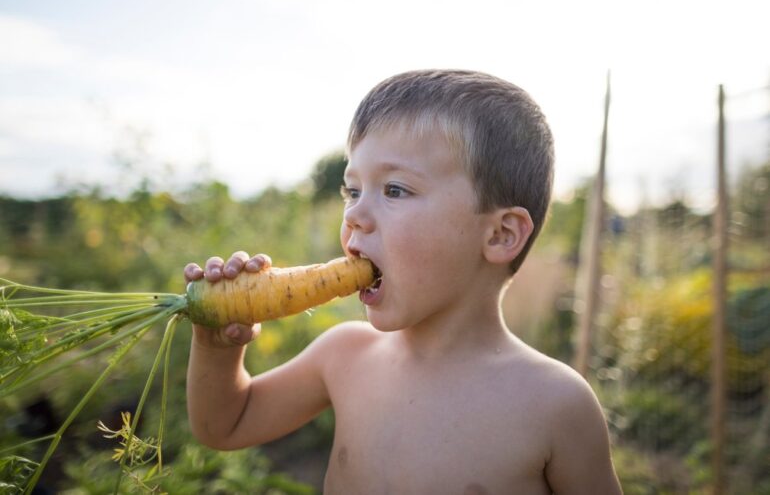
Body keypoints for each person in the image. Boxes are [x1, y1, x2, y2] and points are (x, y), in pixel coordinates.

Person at [185, 69, 622, 494]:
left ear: (499, 234)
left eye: (394, 190)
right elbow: (226, 424)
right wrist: (217, 346)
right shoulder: (343, 356)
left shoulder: (555, 404)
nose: (354, 215)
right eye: (352, 191)